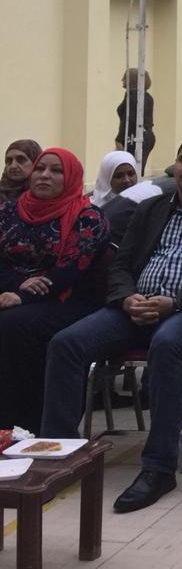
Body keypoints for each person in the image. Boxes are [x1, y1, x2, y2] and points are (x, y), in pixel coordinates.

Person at [43, 137, 182, 513]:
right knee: (66, 343)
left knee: (168, 344)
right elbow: (121, 264)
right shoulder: (152, 208)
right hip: (136, 307)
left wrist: (177, 303)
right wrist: (127, 298)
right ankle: (59, 455)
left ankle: (158, 467)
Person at [0, 150, 107, 432]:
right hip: (12, 293)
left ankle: (23, 423)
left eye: (56, 171)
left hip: (70, 300)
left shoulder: (88, 217)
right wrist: (16, 285)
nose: (45, 175)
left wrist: (21, 296)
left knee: (12, 324)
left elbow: (69, 270)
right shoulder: (9, 212)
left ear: (70, 177)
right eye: (40, 168)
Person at [115, 68, 156, 172]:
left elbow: (129, 119)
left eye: (125, 78)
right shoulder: (148, 96)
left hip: (135, 136)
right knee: (136, 169)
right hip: (147, 135)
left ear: (132, 79)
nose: (122, 80)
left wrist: (119, 139)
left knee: (130, 169)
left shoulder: (132, 95)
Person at [1, 139, 41, 205]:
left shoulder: (45, 194)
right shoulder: (2, 192)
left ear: (35, 162)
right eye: (9, 160)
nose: (13, 166)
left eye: (21, 159)